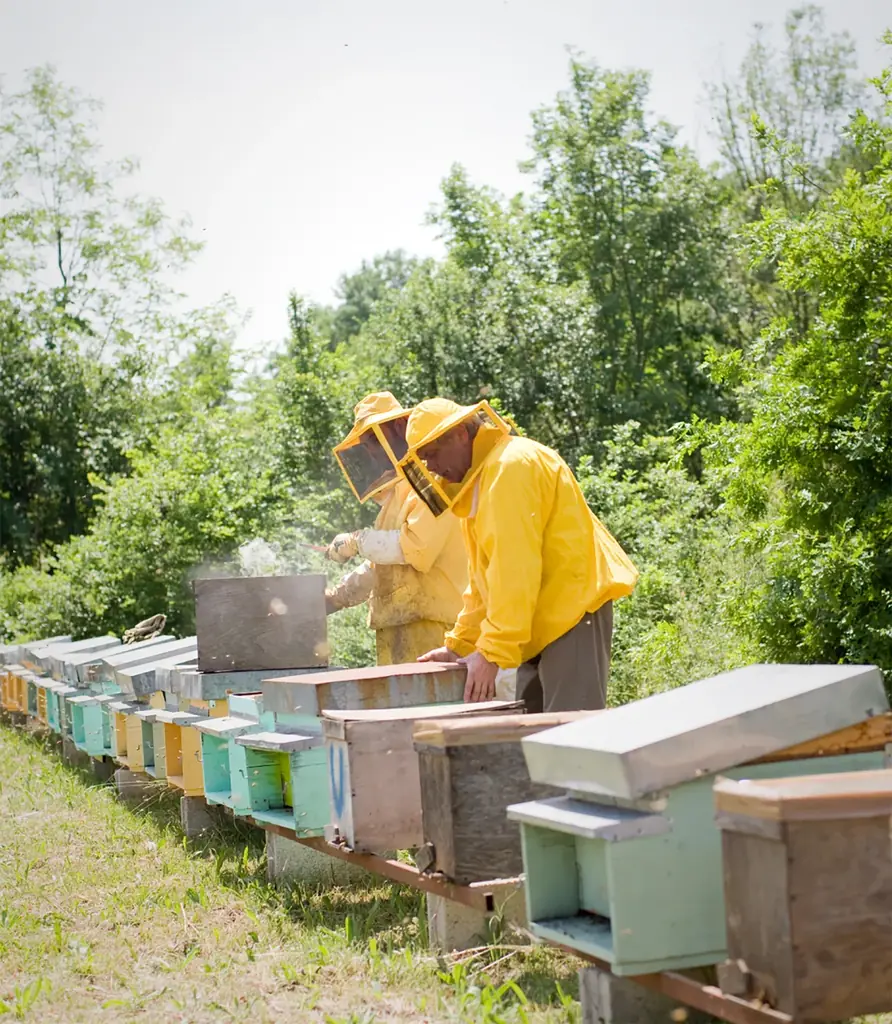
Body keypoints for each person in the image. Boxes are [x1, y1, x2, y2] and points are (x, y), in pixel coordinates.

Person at [399, 398, 638, 711]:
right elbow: (485, 581)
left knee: (572, 740)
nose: (429, 467)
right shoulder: (483, 480)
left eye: (431, 454)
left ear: (459, 434)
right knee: (534, 738)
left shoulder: (509, 468)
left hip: (572, 613)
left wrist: (492, 653)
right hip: (538, 620)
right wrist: (461, 645)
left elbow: (515, 570)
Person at [324, 391, 468, 665]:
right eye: (366, 445)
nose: (371, 451)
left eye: (373, 440)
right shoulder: (396, 495)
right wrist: (337, 597)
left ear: (398, 428)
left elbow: (415, 549)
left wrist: (357, 541)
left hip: (436, 626)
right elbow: (385, 568)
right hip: (397, 628)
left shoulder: (431, 481)